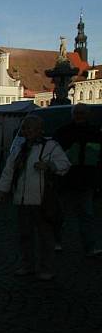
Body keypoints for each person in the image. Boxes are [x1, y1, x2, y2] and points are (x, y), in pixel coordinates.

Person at [0, 115, 70, 280]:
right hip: (21, 200)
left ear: (39, 129)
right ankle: (28, 265)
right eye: (25, 128)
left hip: (42, 200)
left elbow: (65, 164)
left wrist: (49, 166)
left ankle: (47, 268)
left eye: (29, 128)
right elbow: (8, 172)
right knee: (25, 235)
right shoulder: (19, 148)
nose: (26, 131)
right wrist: (0, 192)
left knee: (45, 236)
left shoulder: (50, 146)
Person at [55, 103, 102, 257]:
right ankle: (57, 242)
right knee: (61, 214)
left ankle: (89, 246)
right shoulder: (65, 131)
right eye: (77, 113)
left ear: (87, 115)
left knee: (86, 214)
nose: (79, 116)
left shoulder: (95, 132)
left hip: (85, 179)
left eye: (82, 113)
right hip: (67, 178)